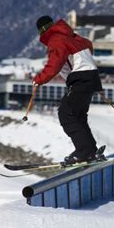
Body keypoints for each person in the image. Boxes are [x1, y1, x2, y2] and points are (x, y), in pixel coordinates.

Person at [33, 15, 103, 165]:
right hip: (91, 77)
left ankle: (84, 152)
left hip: (81, 78)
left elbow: (55, 63)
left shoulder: (56, 39)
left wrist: (40, 79)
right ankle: (90, 150)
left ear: (42, 31)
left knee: (66, 114)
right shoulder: (72, 37)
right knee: (78, 115)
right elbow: (88, 44)